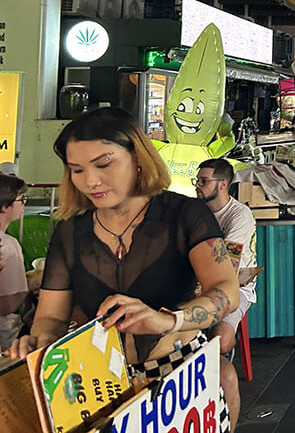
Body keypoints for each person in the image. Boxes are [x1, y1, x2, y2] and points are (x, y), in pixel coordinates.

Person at [8, 108, 239, 432]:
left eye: (104, 164)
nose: (90, 180)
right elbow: (51, 318)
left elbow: (226, 291)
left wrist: (168, 320)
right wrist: (40, 345)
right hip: (99, 382)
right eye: (77, 170)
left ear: (138, 157)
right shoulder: (70, 232)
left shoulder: (185, 214)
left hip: (180, 373)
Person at [194, 159, 256, 379]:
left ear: (222, 184)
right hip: (200, 284)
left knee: (219, 342)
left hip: (236, 287)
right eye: (197, 181)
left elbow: (226, 265)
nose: (197, 186)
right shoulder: (195, 212)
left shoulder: (239, 216)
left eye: (203, 181)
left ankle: (221, 371)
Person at [0, 168, 28, 351]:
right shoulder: (8, 245)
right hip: (7, 335)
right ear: (5, 206)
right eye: (21, 200)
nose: (23, 205)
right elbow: (7, 305)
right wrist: (31, 285)